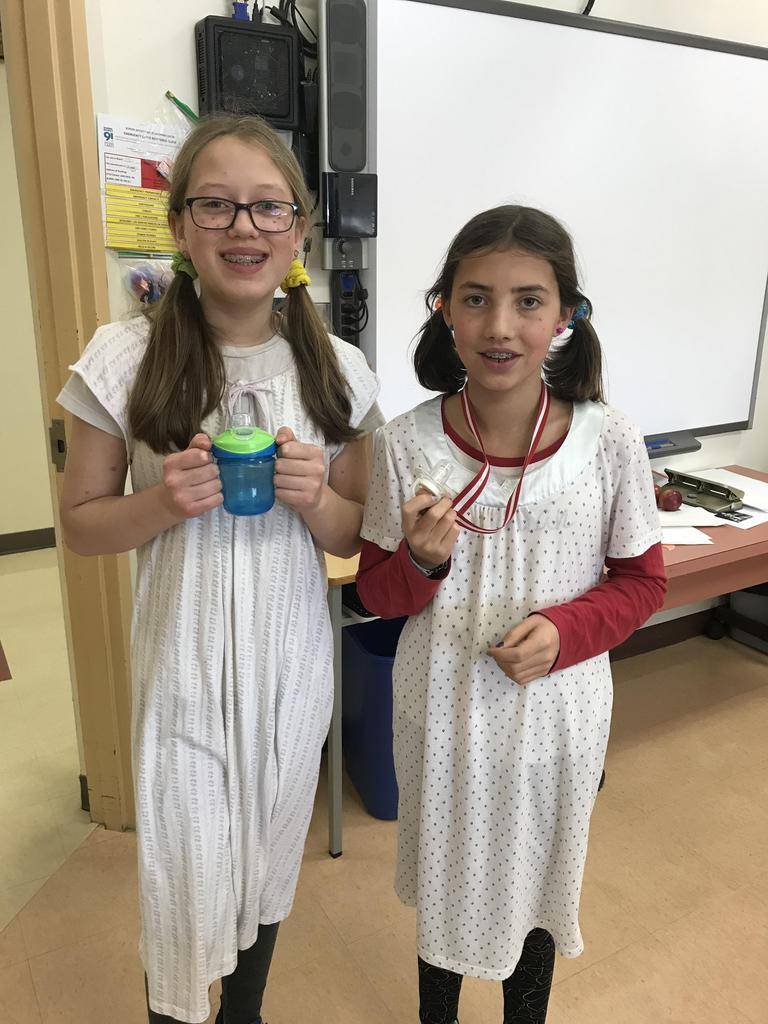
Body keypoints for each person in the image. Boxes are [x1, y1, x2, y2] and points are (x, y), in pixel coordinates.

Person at [57, 113, 383, 1024]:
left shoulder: (339, 371)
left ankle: (246, 1011)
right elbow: (81, 526)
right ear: (179, 225)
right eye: (216, 204)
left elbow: (358, 536)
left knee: (268, 865)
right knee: (184, 880)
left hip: (291, 677)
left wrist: (315, 499)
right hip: (185, 680)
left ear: (299, 230)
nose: (244, 227)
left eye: (269, 207)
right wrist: (163, 501)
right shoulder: (123, 357)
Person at [356, 205, 666, 1024]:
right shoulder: (404, 444)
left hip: (557, 719)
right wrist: (422, 563)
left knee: (535, 883)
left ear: (566, 316)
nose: (499, 326)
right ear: (445, 310)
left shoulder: (610, 441)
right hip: (441, 713)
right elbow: (376, 594)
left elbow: (642, 583)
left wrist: (566, 632)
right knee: (448, 884)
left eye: (528, 301)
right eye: (475, 298)